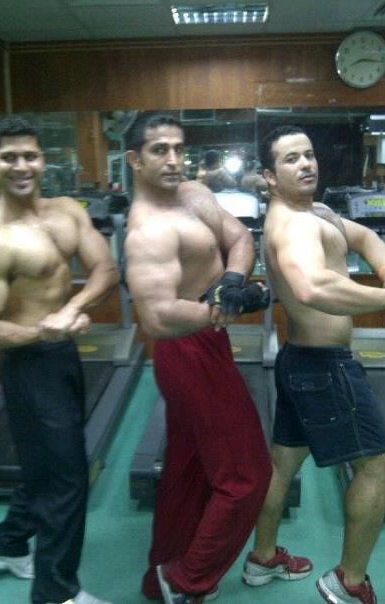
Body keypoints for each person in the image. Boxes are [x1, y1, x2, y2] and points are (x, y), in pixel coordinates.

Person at [0, 116, 119, 604]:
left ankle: (6, 544)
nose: (21, 166)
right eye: (9, 158)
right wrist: (43, 330)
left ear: (43, 160)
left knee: (47, 465)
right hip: (29, 366)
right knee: (67, 477)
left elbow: (106, 268)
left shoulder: (66, 211)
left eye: (29, 155)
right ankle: (55, 592)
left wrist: (71, 309)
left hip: (63, 354)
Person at [242, 124, 385, 604]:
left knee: (282, 465)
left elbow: (365, 236)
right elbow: (312, 287)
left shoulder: (317, 212)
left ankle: (262, 557)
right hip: (325, 368)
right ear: (270, 176)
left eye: (308, 154)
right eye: (291, 159)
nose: (306, 164)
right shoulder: (291, 224)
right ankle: (349, 583)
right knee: (377, 466)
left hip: (300, 361)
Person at [124, 112, 272, 604]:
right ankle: (186, 580)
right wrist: (226, 308)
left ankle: (160, 575)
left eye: (178, 149)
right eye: (158, 150)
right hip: (186, 351)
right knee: (248, 475)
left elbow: (240, 238)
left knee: (188, 470)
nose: (172, 159)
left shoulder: (195, 194)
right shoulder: (148, 231)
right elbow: (158, 318)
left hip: (210, 341)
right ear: (135, 160)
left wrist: (231, 282)